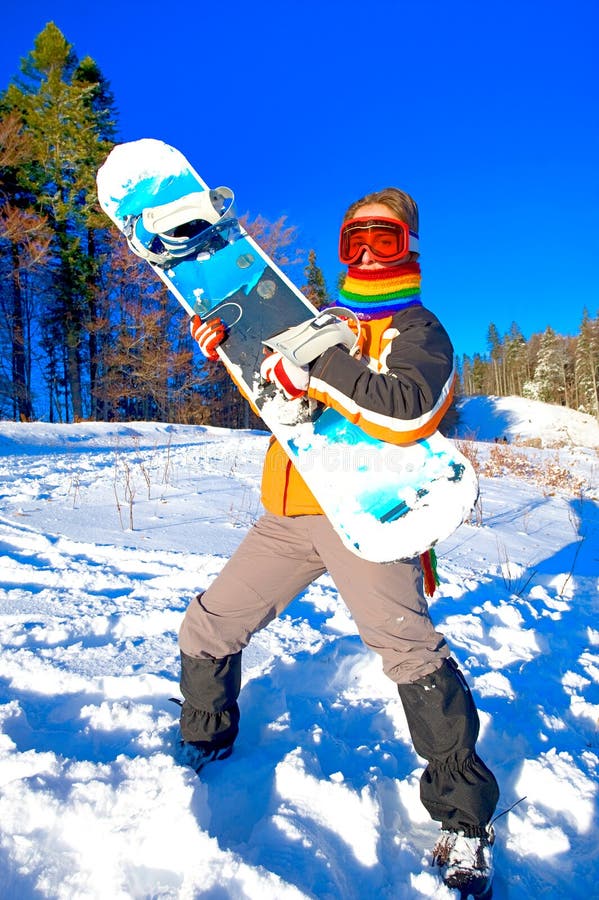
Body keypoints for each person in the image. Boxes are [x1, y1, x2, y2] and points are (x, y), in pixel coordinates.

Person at [180, 188, 499, 897]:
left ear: (407, 247)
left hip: (367, 517)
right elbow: (288, 409)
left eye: (380, 240)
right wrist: (232, 352)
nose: (362, 252)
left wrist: (317, 367)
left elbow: (408, 408)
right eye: (352, 239)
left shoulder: (418, 329)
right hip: (289, 514)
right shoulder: (306, 320)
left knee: (411, 658)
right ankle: (203, 738)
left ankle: (464, 822)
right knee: (207, 625)